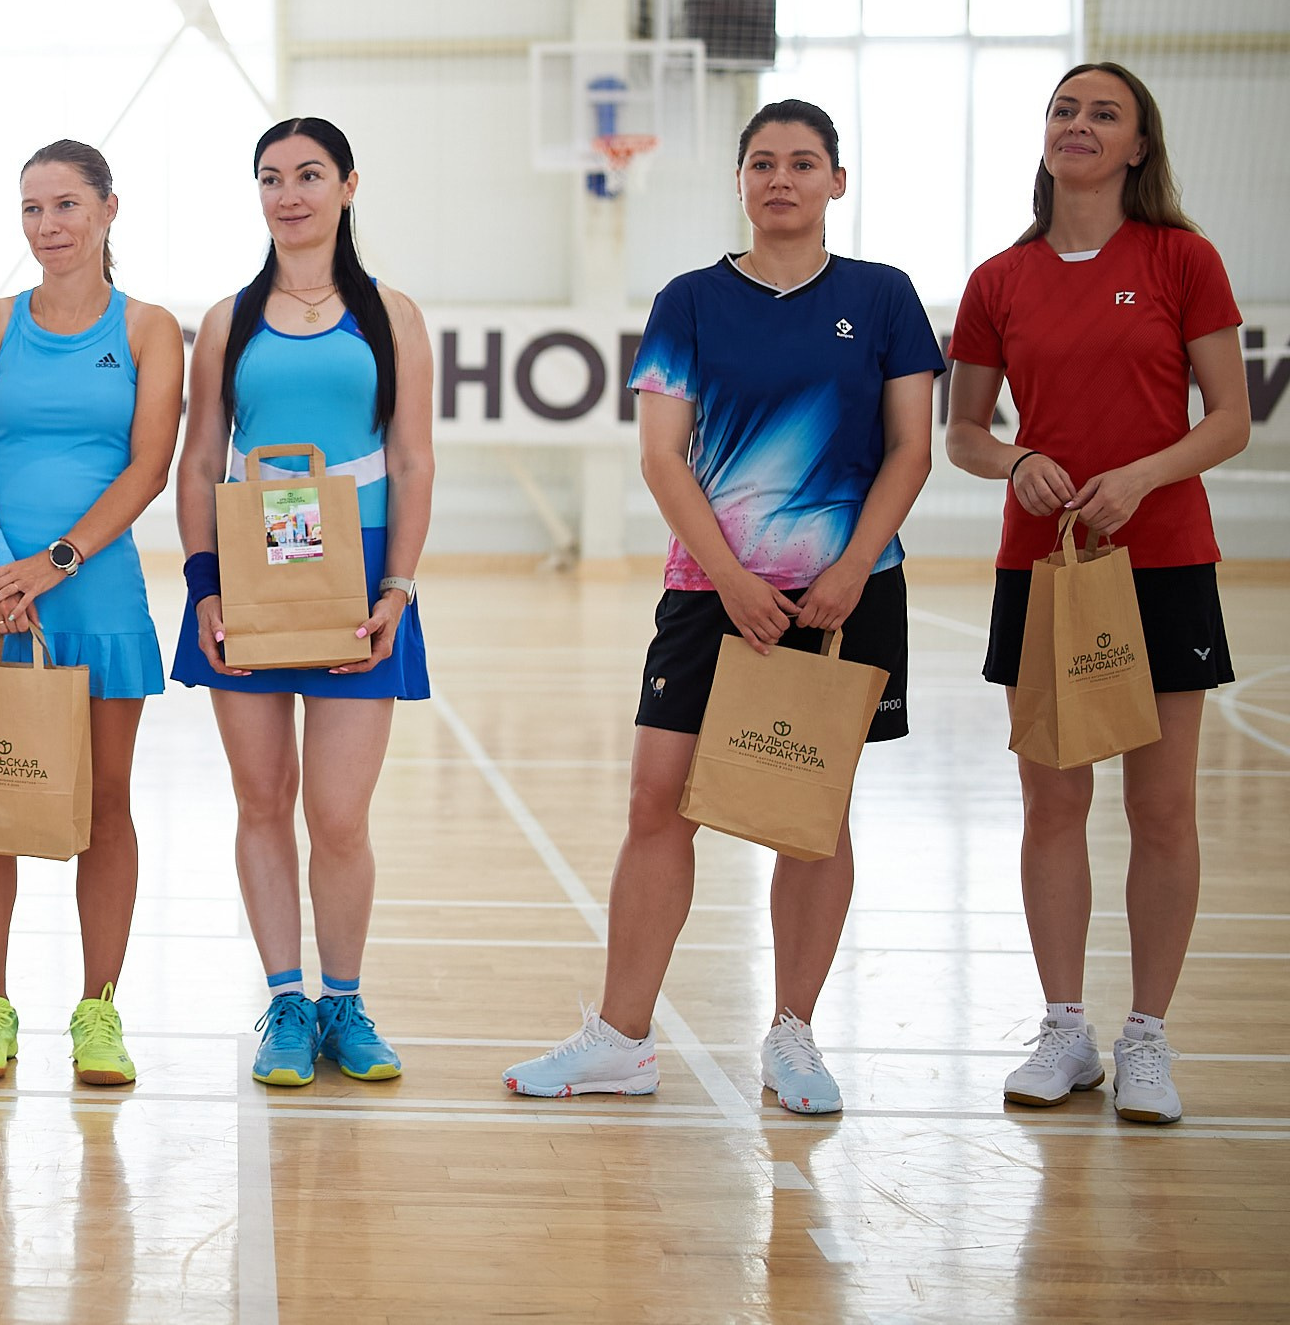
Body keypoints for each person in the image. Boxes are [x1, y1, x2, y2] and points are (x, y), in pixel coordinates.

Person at [502, 100, 943, 1115]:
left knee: (810, 820)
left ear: (838, 179)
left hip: (845, 596)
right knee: (655, 801)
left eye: (801, 162)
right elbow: (661, 455)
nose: (779, 178)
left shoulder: (881, 297)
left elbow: (911, 447)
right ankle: (619, 1039)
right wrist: (735, 581)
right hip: (714, 592)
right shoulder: (691, 299)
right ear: (739, 182)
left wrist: (850, 568)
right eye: (760, 162)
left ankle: (792, 1035)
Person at [945, 62, 1249, 1125]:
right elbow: (963, 433)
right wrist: (1013, 459)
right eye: (1064, 109)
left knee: (1160, 807)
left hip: (1162, 560)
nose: (1078, 124)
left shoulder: (1182, 258)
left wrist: (1143, 475)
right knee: (1052, 802)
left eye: (1101, 113)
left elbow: (1228, 419)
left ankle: (1147, 1037)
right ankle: (1064, 1027)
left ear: (1136, 147)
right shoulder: (999, 279)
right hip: (1045, 570)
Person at [174, 116, 433, 1089]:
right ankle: (284, 1001)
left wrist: (398, 585)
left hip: (358, 574)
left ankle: (344, 1001)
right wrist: (205, 584)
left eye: (309, 175)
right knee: (260, 800)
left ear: (347, 185)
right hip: (250, 568)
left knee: (338, 816)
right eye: (272, 177)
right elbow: (200, 460)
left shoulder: (392, 315)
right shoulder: (226, 319)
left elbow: (411, 458)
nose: (290, 193)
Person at [0, 140, 184, 1088]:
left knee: (103, 801)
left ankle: (99, 1011)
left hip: (98, 592)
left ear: (109, 210)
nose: (49, 225)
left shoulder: (152, 328)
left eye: (68, 204)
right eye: (33, 208)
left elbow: (148, 466)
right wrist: (0, 567)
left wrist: (57, 562)